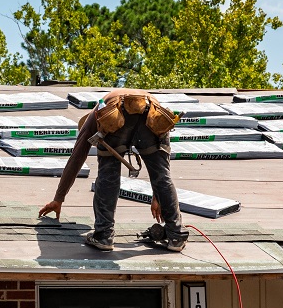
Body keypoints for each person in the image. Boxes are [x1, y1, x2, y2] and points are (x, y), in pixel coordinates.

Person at [39, 88, 189, 252]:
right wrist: (158, 196)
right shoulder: (127, 100)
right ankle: (176, 236)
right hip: (153, 111)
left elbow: (76, 159)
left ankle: (103, 236)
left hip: (116, 113)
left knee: (108, 173)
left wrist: (58, 199)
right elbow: (161, 172)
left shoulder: (95, 117)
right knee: (162, 176)